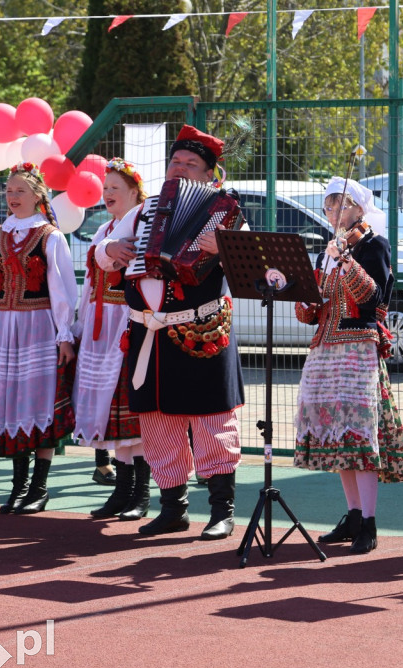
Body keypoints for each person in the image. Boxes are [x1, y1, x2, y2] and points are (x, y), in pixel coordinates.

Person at [96, 125, 244, 539]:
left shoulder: (226, 214)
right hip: (150, 335)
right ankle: (173, 508)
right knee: (158, 423)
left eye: (190, 164)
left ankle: (222, 511)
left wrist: (225, 247)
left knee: (213, 420)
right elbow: (102, 253)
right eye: (175, 161)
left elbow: (249, 267)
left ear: (210, 174)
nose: (179, 168)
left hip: (202, 332)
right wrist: (110, 250)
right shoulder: (145, 211)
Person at [294, 178, 403, 554]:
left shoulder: (374, 245)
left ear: (360, 209)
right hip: (324, 351)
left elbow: (373, 300)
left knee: (359, 436)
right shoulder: (326, 253)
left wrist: (345, 259)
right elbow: (311, 314)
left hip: (358, 350)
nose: (334, 213)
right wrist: (305, 300)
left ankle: (370, 524)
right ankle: (354, 516)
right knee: (339, 439)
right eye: (329, 206)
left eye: (341, 205)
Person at [0, 163, 78, 515]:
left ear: (37, 195)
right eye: (9, 191)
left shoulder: (50, 237)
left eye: (20, 191)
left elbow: (62, 289)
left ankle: (39, 487)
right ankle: (19, 486)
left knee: (38, 401)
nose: (13, 197)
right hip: (1, 327)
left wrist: (64, 334)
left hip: (38, 327)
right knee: (12, 403)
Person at [73, 158, 150, 521]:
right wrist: (79, 326)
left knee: (133, 414)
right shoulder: (104, 229)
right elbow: (91, 283)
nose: (107, 194)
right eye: (105, 188)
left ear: (134, 191)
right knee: (113, 416)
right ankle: (122, 492)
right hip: (101, 331)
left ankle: (141, 494)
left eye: (115, 188)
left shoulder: (144, 225)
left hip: (128, 326)